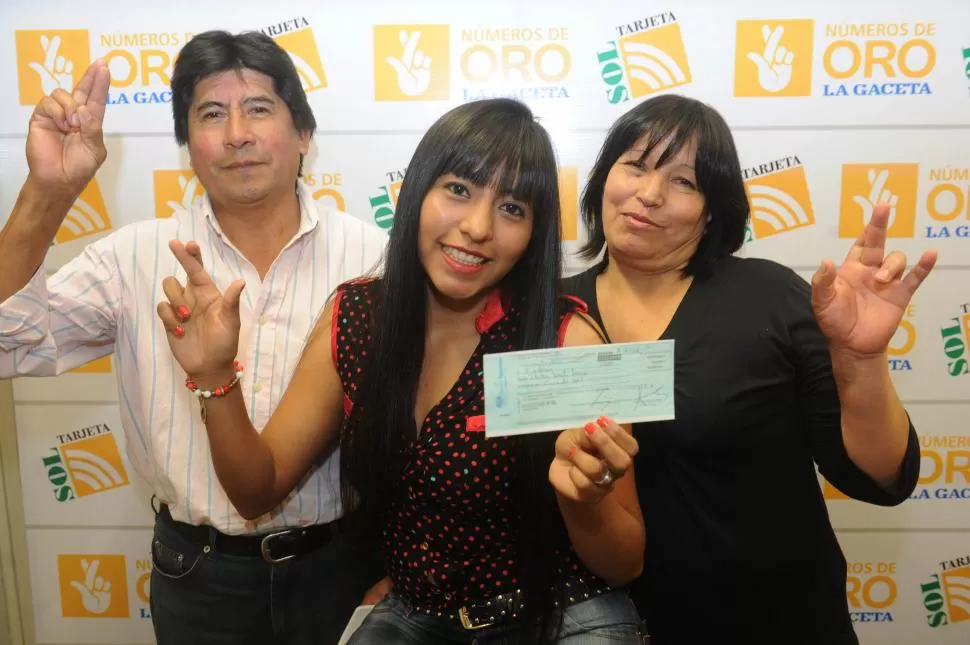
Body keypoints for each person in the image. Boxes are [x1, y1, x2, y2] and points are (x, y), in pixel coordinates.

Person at [154, 98, 647, 644]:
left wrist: (587, 499)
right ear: (416, 193)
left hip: (559, 612)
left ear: (534, 233)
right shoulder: (357, 318)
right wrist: (216, 377)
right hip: (417, 616)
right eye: (458, 189)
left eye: (512, 208)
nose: (478, 227)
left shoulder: (564, 341)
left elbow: (624, 564)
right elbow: (256, 489)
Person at [0, 31, 388, 645]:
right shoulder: (136, 256)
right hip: (197, 575)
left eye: (259, 108)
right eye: (212, 113)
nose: (237, 133)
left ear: (304, 133)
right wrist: (48, 192)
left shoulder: (373, 258)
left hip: (340, 567)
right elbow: (5, 343)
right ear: (188, 145)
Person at [562, 94, 935, 645]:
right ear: (602, 179)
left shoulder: (770, 297)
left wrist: (861, 358)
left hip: (779, 620)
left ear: (713, 208)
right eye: (635, 166)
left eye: (684, 182)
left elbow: (879, 478)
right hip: (605, 627)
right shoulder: (549, 314)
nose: (649, 194)